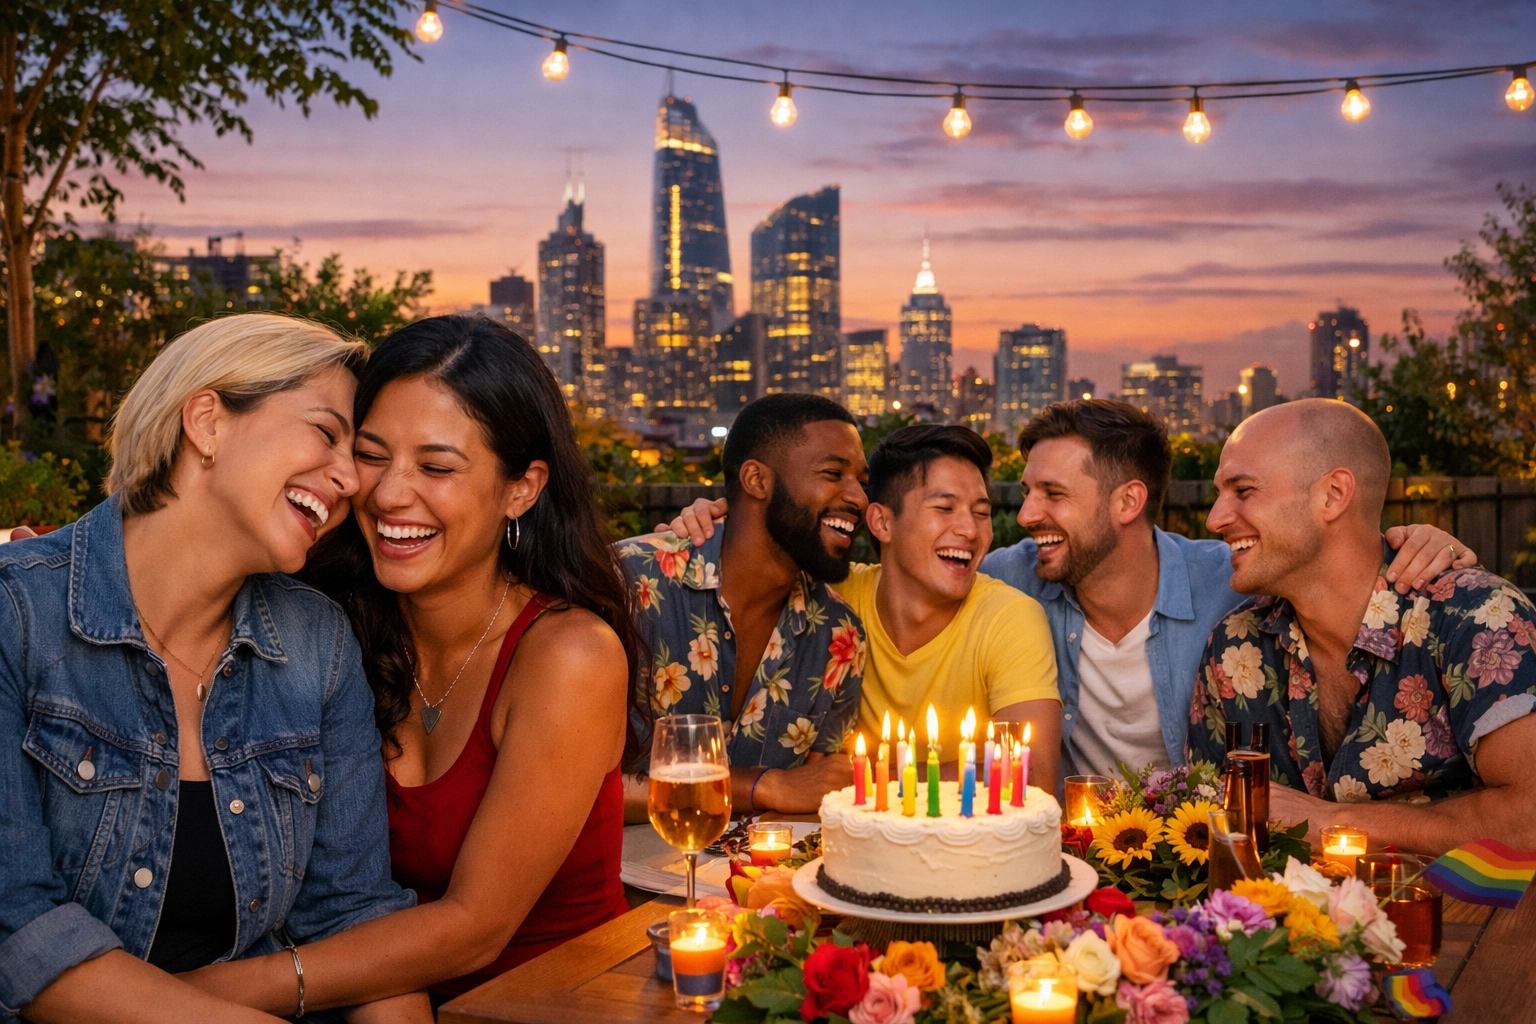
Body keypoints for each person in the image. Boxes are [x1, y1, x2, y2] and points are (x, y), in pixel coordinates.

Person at [184, 315, 637, 1009]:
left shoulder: (568, 655)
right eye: (371, 455)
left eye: (436, 467)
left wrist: (186, 1000)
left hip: (544, 1006)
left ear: (522, 487)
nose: (390, 494)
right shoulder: (324, 627)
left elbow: (474, 929)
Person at [0, 314, 423, 1023]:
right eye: (326, 434)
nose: (353, 480)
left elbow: (355, 919)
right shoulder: (17, 615)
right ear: (206, 421)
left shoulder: (317, 642)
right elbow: (17, 929)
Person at [980, 399, 1481, 780]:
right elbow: (923, 578)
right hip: (1081, 858)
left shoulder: (1239, 582)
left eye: (1053, 494)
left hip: (1192, 856)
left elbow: (1331, 562)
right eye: (1027, 492)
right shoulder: (1012, 582)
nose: (1025, 515)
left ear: (1129, 500)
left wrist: (1418, 547)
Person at [1188, 399, 1536, 856]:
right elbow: (1207, 825)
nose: (1215, 518)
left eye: (1243, 489)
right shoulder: (1233, 649)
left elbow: (1529, 820)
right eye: (1219, 493)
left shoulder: (1476, 619)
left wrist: (1332, 823)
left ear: (1333, 495)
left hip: (1465, 922)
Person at [662, 424, 1062, 788]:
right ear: (882, 523)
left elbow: (1034, 772)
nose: (970, 530)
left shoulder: (1009, 617)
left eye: (982, 513)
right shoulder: (831, 598)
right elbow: (758, 546)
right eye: (944, 509)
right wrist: (701, 527)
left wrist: (859, 776)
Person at [620, 393, 869, 820]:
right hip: (621, 880)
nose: (860, 498)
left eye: (862, 480)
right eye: (833, 474)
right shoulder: (630, 586)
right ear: (756, 480)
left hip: (754, 883)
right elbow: (565, 780)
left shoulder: (840, 638)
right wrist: (764, 785)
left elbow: (814, 797)